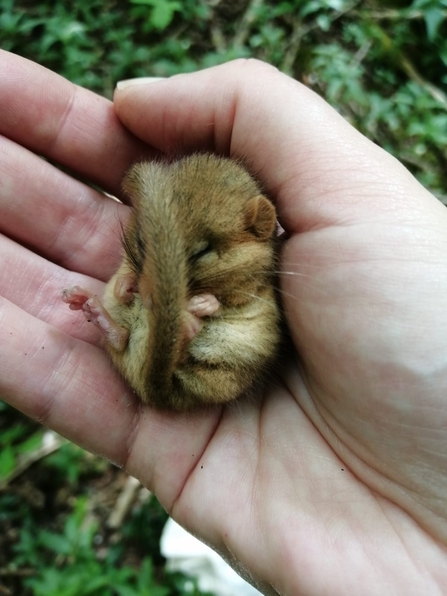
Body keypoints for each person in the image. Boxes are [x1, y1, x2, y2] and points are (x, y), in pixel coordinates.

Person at [0, 49, 446, 594]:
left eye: (202, 252)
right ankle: (119, 334)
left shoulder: (253, 263)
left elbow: (235, 318)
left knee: (239, 339)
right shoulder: (157, 246)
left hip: (205, 370)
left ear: (259, 228)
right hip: (152, 362)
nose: (168, 264)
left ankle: (137, 337)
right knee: (128, 292)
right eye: (157, 241)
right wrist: (140, 282)